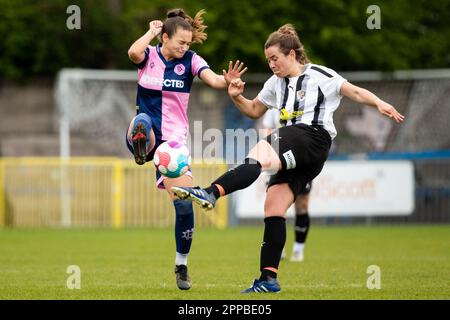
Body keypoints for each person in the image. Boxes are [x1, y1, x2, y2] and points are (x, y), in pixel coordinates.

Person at [172, 23, 404, 293]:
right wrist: (236, 96)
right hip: (303, 151)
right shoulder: (275, 83)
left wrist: (379, 103)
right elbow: (255, 110)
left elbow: (354, 91)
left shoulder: (319, 75)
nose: (272, 64)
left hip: (313, 137)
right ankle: (268, 279)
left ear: (292, 54)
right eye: (268, 60)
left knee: (257, 156)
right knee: (273, 206)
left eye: (275, 59)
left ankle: (211, 192)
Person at [126, 8, 247, 291]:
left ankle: (181, 264)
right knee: (141, 122)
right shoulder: (149, 56)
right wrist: (150, 31)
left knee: (183, 204)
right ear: (165, 37)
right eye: (180, 42)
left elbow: (214, 80)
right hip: (145, 132)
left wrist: (227, 81)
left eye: (188, 43)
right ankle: (141, 149)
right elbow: (133, 53)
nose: (185, 47)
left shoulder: (191, 61)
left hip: (173, 144)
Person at [261, 109, 311, 262]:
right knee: (277, 205)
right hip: (278, 160)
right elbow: (267, 132)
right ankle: (279, 248)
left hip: (301, 160)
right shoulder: (272, 109)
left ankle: (298, 249)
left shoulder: (303, 104)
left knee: (302, 205)